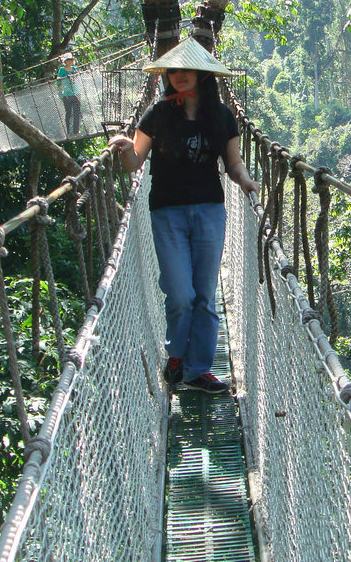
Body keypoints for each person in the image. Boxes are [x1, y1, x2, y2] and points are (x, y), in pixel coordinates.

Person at [108, 38, 258, 395]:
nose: (178, 75)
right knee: (179, 294)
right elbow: (134, 164)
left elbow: (233, 163)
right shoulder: (158, 114)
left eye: (185, 69)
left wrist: (247, 181)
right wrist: (126, 148)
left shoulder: (221, 116)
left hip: (209, 210)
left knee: (204, 295)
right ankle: (176, 355)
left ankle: (196, 371)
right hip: (167, 212)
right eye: (172, 70)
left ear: (203, 74)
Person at [56, 52, 82, 136]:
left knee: (76, 113)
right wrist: (60, 79)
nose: (70, 62)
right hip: (67, 95)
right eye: (68, 60)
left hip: (76, 93)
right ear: (65, 61)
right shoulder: (62, 70)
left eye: (71, 60)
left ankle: (76, 131)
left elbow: (78, 77)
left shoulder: (74, 69)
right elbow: (58, 81)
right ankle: (68, 131)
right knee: (68, 113)